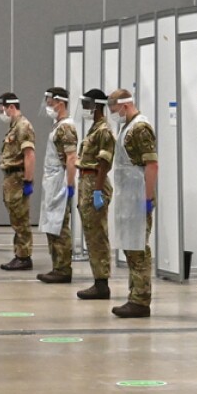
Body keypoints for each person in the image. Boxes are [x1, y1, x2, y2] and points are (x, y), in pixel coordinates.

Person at [106, 89, 158, 318]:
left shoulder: (140, 128)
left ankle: (140, 299)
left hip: (138, 195)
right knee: (130, 247)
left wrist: (148, 198)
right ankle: (134, 295)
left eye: (114, 110)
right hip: (128, 195)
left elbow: (152, 165)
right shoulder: (127, 127)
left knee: (138, 249)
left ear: (125, 106)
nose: (113, 114)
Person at [75, 89, 115, 301]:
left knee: (97, 234)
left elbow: (103, 164)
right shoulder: (94, 129)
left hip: (94, 182)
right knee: (90, 234)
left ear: (97, 106)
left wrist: (98, 190)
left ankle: (102, 283)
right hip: (86, 181)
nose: (85, 109)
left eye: (88, 105)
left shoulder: (104, 131)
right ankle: (97, 279)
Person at [36, 88, 78, 284]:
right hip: (52, 181)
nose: (47, 105)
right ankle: (56, 266)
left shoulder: (66, 128)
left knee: (59, 225)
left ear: (60, 103)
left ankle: (63, 268)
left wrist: (69, 185)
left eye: (50, 101)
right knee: (51, 225)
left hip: (60, 180)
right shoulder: (57, 126)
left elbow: (71, 158)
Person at [0, 93, 35, 271]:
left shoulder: (23, 126)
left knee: (21, 218)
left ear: (11, 107)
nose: (1, 113)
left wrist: (28, 180)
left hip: (18, 178)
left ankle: (24, 257)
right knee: (15, 217)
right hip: (10, 178)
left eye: (2, 109)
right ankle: (19, 253)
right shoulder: (14, 126)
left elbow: (29, 155)